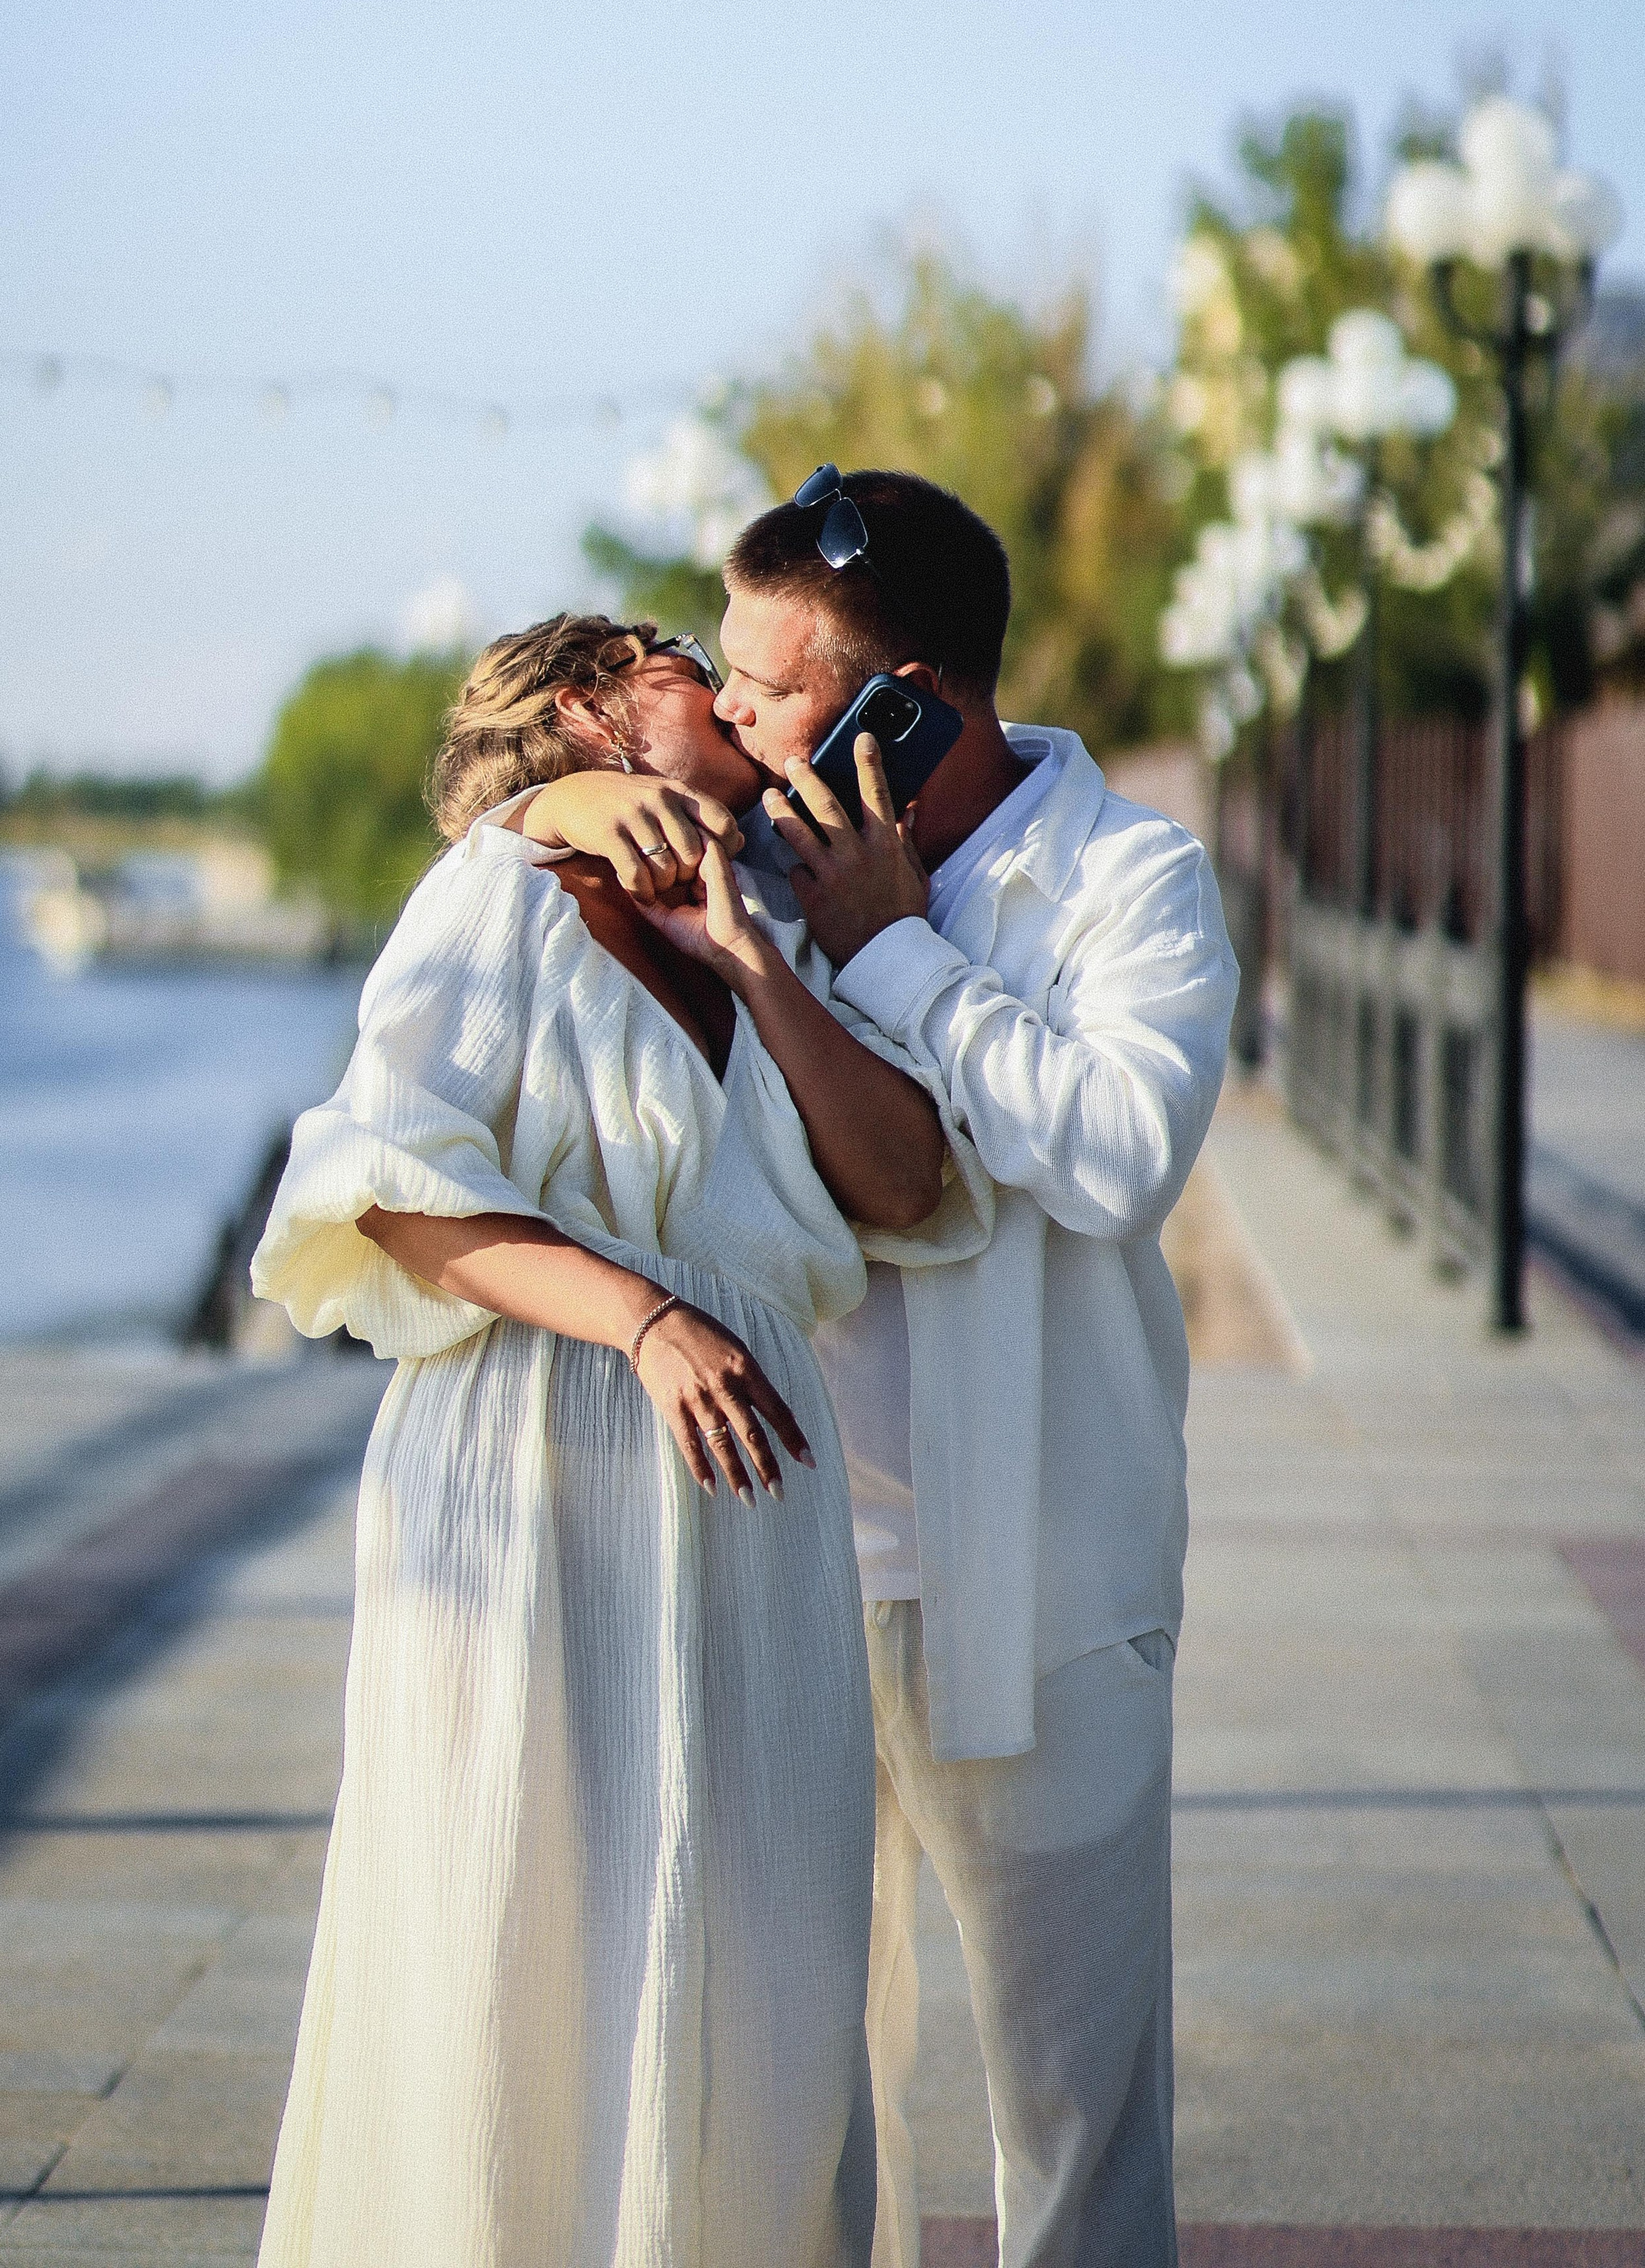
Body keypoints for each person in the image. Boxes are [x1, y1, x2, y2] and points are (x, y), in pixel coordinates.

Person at [523, 473, 1239, 2268]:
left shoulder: (1127, 878)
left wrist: (894, 956)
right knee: (793, 2116)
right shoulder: (748, 848)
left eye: (768, 689)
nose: (736, 719)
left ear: (903, 700)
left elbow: (1115, 1154)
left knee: (1071, 2133)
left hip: (1043, 1603)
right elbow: (514, 838)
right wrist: (583, 793)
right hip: (783, 1586)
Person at [248, 612, 991, 2268]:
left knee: (762, 1974)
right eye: (674, 658)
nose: (722, 691)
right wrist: (640, 1321)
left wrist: (743, 952)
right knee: (515, 1950)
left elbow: (902, 1187)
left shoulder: (775, 926)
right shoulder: (499, 892)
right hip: (533, 1470)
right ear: (587, 706)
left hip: (749, 1531)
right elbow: (387, 1199)